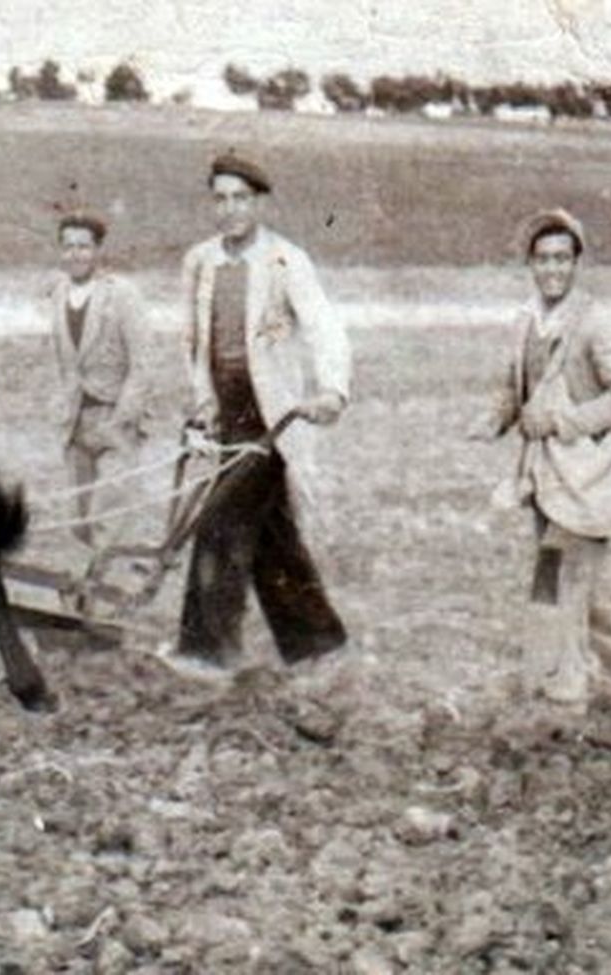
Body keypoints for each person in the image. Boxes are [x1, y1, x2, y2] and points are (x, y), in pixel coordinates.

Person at [469, 208, 611, 715]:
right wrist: (494, 420)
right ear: (530, 264)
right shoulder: (526, 320)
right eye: (542, 259)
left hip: (592, 480)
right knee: (571, 585)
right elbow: (513, 388)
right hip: (545, 479)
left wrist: (563, 422)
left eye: (562, 258)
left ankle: (567, 693)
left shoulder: (595, 324)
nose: (552, 269)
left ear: (577, 263)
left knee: (558, 580)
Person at [169, 152, 351, 676]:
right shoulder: (199, 261)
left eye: (240, 199)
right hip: (222, 415)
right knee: (272, 535)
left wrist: (332, 391)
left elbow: (323, 329)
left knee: (221, 522)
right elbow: (193, 339)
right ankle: (318, 641)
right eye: (220, 199)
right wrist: (200, 403)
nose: (229, 209)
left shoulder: (285, 261)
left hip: (271, 417)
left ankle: (207, 652)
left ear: (259, 203)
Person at [41, 212, 152, 547]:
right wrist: (60, 407)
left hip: (113, 419)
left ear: (98, 250)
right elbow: (62, 362)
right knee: (80, 521)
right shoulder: (58, 294)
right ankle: (85, 593)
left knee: (111, 519)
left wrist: (123, 419)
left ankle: (113, 590)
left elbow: (142, 365)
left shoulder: (123, 295)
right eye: (69, 247)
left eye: (84, 247)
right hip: (75, 423)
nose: (76, 254)